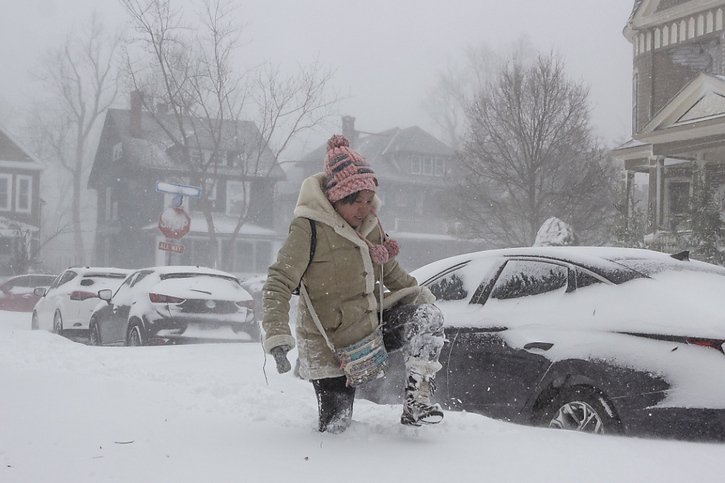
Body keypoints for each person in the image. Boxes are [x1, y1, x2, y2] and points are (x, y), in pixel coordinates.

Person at [261, 134, 445, 434]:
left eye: (368, 200)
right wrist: (278, 336)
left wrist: (428, 302)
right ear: (336, 198)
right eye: (355, 201)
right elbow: (278, 281)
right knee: (337, 429)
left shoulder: (370, 228)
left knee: (427, 316)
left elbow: (395, 275)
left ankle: (418, 403)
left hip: (370, 328)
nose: (364, 208)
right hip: (330, 345)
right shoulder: (308, 227)